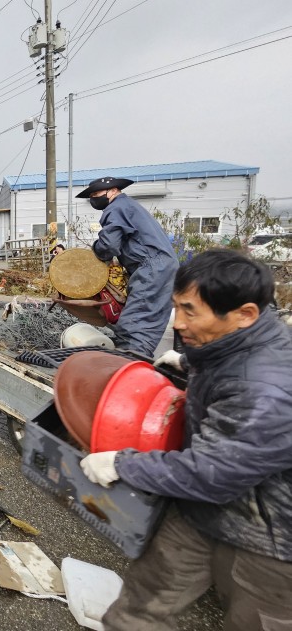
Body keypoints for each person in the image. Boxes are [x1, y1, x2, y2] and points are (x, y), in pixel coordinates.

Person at [79, 250, 292, 630]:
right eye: (176, 306)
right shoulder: (241, 339)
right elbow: (231, 363)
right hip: (201, 509)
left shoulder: (266, 390)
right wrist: (191, 362)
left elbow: (213, 472)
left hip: (268, 534)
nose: (177, 322)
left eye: (190, 312)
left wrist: (121, 463)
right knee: (136, 609)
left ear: (245, 314)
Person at [77, 176, 177, 357]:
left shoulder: (116, 207)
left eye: (96, 193)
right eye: (91, 196)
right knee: (150, 320)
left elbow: (108, 246)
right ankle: (139, 358)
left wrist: (95, 250)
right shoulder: (129, 206)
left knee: (134, 322)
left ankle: (129, 361)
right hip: (163, 266)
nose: (93, 198)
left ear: (114, 190)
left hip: (151, 267)